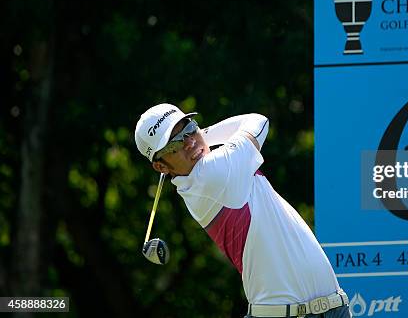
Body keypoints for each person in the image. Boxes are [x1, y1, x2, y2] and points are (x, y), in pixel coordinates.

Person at [134, 103, 351, 318]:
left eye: (190, 128)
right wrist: (203, 136)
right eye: (174, 145)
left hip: (331, 307)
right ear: (161, 167)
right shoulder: (212, 173)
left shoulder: (207, 171)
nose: (189, 142)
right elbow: (258, 121)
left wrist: (195, 138)